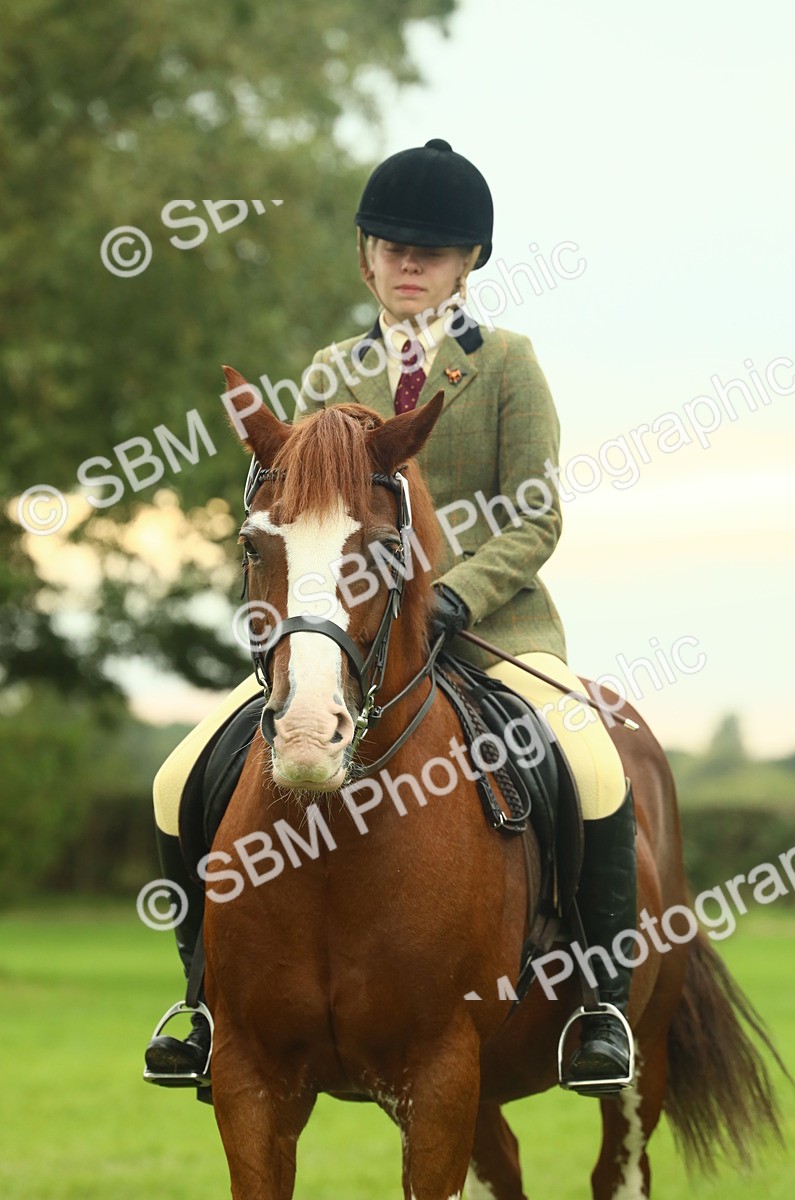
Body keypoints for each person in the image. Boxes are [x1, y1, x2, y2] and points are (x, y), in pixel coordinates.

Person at [143, 138, 637, 1098]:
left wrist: (451, 593)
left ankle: (601, 1005)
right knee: (177, 777)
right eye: (394, 248)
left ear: (468, 263)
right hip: (351, 636)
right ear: (366, 258)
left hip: (493, 632)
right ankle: (205, 1002)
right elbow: (306, 511)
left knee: (593, 761)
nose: (412, 265)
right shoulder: (333, 367)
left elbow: (535, 517)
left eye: (433, 252)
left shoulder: (507, 364)